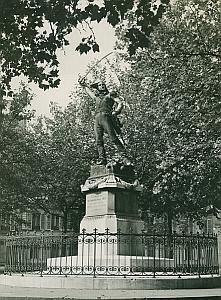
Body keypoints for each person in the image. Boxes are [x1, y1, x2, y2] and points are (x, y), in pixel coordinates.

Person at [78, 77, 128, 165]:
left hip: (106, 117)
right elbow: (89, 92)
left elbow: (120, 103)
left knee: (113, 137)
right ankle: (102, 159)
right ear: (97, 87)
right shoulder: (96, 97)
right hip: (97, 119)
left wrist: (116, 111)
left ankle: (124, 157)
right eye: (100, 85)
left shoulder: (110, 95)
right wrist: (83, 85)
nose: (102, 86)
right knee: (98, 140)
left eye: (103, 84)